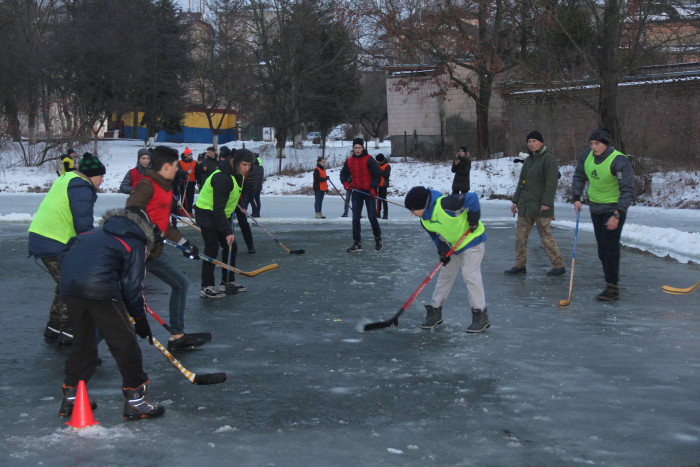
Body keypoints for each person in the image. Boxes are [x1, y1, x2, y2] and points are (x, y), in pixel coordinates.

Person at [58, 207, 164, 420]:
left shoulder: (89, 235)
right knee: (125, 343)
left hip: (71, 288)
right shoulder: (135, 243)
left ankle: (72, 398)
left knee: (83, 342)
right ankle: (136, 400)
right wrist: (141, 320)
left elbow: (66, 254)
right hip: (101, 291)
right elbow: (132, 288)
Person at [126, 146, 205, 352]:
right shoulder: (147, 184)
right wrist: (149, 230)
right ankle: (86, 347)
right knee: (122, 301)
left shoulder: (167, 188)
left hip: (152, 252)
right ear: (166, 166)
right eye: (176, 164)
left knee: (180, 283)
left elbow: (165, 225)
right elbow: (131, 212)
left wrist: (184, 244)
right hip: (135, 253)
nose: (179, 168)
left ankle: (177, 335)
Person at [28, 152, 105, 345]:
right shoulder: (81, 186)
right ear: (91, 175)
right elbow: (83, 223)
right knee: (72, 284)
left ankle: (55, 326)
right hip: (54, 239)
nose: (102, 181)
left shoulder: (68, 178)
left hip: (45, 236)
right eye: (101, 176)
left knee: (64, 281)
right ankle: (69, 328)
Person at [404, 186, 489, 333]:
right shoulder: (424, 220)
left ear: (421, 206)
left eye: (413, 210)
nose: (412, 214)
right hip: (454, 245)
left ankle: (480, 315)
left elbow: (472, 198)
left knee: (470, 275)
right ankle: (435, 311)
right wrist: (442, 248)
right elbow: (435, 236)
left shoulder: (446, 204)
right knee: (446, 275)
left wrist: (473, 218)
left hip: (472, 239)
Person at [572, 128, 635, 301]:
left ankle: (612, 287)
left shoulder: (618, 160)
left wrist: (617, 213)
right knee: (602, 248)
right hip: (596, 208)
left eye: (597, 144)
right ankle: (609, 281)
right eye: (591, 143)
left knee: (610, 247)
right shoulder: (587, 156)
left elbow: (628, 189)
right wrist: (576, 197)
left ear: (606, 144)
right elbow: (579, 176)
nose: (594, 147)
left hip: (613, 209)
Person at [194, 149, 254, 298]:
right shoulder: (222, 178)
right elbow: (217, 208)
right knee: (212, 247)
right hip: (207, 213)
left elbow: (234, 194)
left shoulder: (237, 174)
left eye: (249, 165)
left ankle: (227, 281)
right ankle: (206, 286)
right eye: (244, 164)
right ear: (236, 161)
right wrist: (227, 231)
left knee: (231, 246)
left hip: (222, 213)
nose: (247, 168)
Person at [505, 130, 566, 277]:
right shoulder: (528, 161)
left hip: (541, 207)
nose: (531, 144)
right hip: (526, 206)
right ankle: (520, 265)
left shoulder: (548, 159)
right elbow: (522, 182)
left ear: (541, 142)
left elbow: (551, 183)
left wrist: (546, 203)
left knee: (546, 236)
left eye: (534, 141)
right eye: (529, 141)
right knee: (520, 237)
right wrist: (516, 200)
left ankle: (558, 265)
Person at [340, 138, 382, 252]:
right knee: (355, 218)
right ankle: (357, 243)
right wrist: (345, 183)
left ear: (363, 148)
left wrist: (373, 188)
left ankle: (378, 239)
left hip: (368, 192)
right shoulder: (349, 161)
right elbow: (343, 174)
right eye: (355, 148)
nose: (357, 150)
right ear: (353, 149)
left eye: (359, 147)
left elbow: (377, 175)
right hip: (357, 193)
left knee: (372, 217)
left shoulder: (369, 160)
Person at [179, 147, 197, 214]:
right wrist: (185, 174)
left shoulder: (194, 162)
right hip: (183, 183)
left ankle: (189, 211)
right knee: (184, 198)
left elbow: (197, 172)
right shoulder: (180, 162)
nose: (191, 156)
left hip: (192, 182)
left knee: (190, 198)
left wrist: (199, 181)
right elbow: (179, 171)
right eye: (189, 155)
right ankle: (183, 211)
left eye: (191, 154)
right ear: (186, 155)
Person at [375, 153, 391, 219]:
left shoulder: (387, 166)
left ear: (380, 160)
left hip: (383, 185)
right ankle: (378, 213)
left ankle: (385, 214)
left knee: (383, 199)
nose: (376, 161)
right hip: (377, 184)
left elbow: (386, 175)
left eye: (377, 160)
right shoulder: (376, 165)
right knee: (378, 199)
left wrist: (379, 170)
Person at [341, 150, 353, 218]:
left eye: (352, 154)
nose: (351, 155)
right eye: (350, 154)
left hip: (355, 185)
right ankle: (345, 212)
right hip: (349, 184)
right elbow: (344, 173)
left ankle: (357, 212)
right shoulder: (348, 162)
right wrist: (346, 182)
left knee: (355, 200)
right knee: (347, 198)